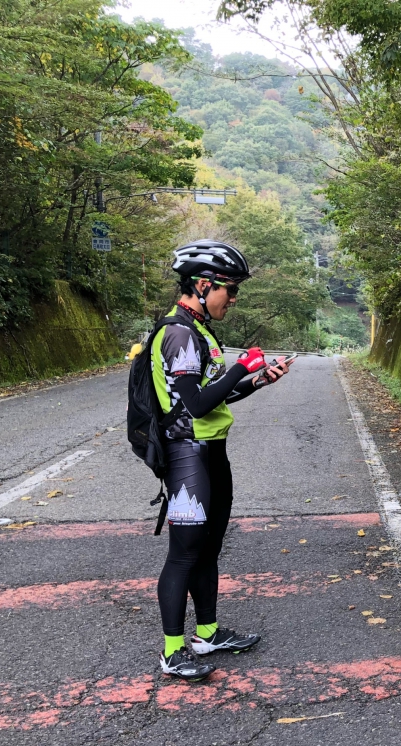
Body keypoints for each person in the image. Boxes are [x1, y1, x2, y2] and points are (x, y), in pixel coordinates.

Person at [152, 239, 292, 681]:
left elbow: (216, 397)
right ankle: (172, 651)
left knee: (210, 548)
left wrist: (259, 380)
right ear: (202, 284)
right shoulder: (178, 333)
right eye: (229, 290)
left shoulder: (200, 331)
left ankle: (207, 634)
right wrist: (240, 367)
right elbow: (193, 405)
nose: (233, 299)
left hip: (213, 453)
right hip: (185, 455)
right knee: (184, 554)